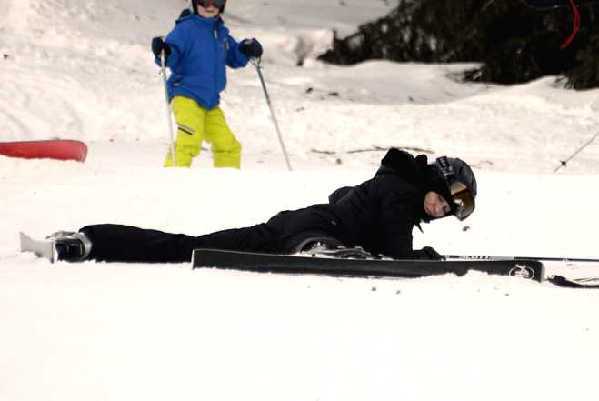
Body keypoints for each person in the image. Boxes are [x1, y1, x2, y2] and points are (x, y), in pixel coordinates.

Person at [48, 148, 477, 263]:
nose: (443, 209)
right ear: (433, 179)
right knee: (320, 239)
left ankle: (89, 241)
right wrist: (421, 257)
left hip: (290, 225)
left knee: (186, 246)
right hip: (313, 229)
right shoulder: (401, 192)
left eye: (450, 210)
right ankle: (315, 250)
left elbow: (343, 198)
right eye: (445, 198)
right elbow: (395, 255)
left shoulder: (389, 187)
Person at [152, 0, 263, 168]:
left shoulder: (220, 32)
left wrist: (245, 50)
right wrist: (165, 51)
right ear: (195, 2)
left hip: (210, 102)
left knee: (228, 145)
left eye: (216, 1)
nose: (210, 6)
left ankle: (226, 183)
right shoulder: (185, 29)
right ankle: (173, 178)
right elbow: (171, 54)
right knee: (190, 137)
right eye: (204, 1)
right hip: (185, 95)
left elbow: (233, 56)